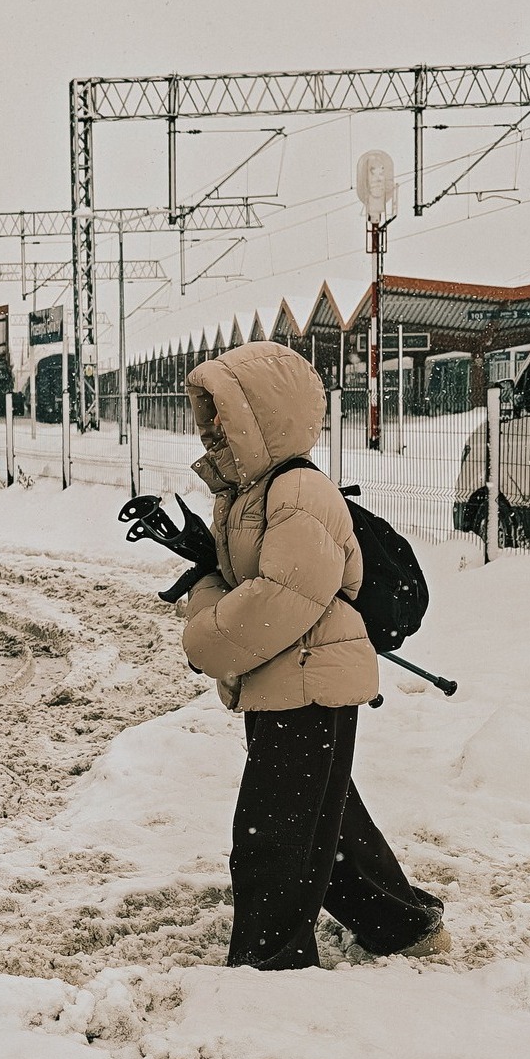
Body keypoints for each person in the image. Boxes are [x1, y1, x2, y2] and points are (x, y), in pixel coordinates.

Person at [166, 340, 447, 971]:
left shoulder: (298, 492)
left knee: (274, 839)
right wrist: (208, 575)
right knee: (330, 825)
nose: (208, 430)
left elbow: (282, 598)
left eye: (221, 416)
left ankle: (271, 968)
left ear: (262, 417)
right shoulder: (249, 492)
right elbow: (244, 583)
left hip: (310, 683)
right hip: (283, 680)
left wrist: (205, 634)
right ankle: (399, 925)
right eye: (204, 415)